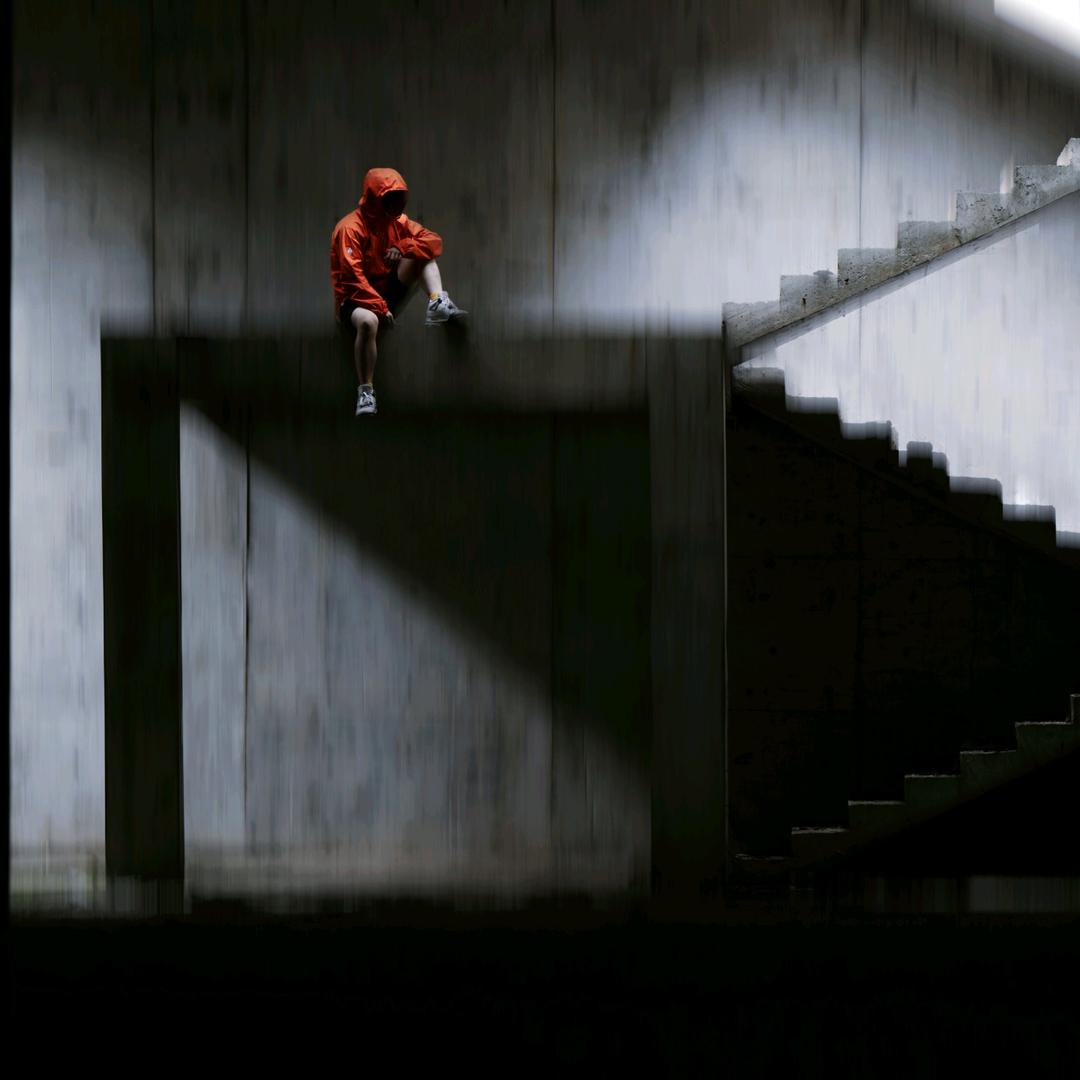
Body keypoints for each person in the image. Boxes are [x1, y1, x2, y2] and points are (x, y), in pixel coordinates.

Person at [330, 167, 467, 416]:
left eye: (398, 200)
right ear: (376, 199)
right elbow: (352, 279)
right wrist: (379, 307)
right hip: (355, 301)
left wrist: (403, 246)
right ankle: (365, 391)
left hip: (384, 293)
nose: (396, 206)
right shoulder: (350, 228)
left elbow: (433, 242)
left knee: (422, 254)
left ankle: (437, 302)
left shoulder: (398, 222)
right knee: (369, 322)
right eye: (390, 200)